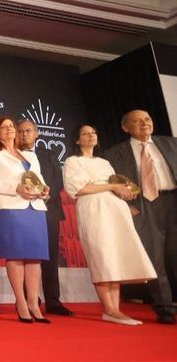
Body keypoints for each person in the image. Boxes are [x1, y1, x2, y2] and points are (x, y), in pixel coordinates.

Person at [62, 125, 156, 325]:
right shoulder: (73, 161)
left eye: (94, 132)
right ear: (77, 140)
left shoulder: (105, 162)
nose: (91, 136)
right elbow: (80, 188)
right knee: (101, 255)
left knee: (114, 256)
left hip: (115, 210)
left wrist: (124, 199)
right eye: (85, 134)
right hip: (94, 209)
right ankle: (109, 308)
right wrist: (113, 187)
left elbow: (116, 185)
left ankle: (114, 309)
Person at [103, 110, 177, 325]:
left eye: (147, 119)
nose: (144, 124)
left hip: (173, 200)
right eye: (137, 121)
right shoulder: (114, 154)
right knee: (154, 260)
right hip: (143, 206)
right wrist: (127, 206)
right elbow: (112, 185)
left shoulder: (172, 144)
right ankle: (164, 308)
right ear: (126, 128)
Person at [0, 116, 50, 323]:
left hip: (35, 208)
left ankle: (33, 303)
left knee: (34, 257)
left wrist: (44, 190)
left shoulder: (30, 155)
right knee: (16, 255)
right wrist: (16, 188)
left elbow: (39, 180)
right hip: (9, 208)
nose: (10, 129)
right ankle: (20, 302)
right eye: (5, 127)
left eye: (12, 126)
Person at [17, 118, 74, 316]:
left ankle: (53, 300)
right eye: (21, 131)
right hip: (24, 209)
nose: (24, 134)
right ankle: (30, 300)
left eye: (28, 130)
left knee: (49, 255)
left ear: (36, 134)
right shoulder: (11, 155)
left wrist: (46, 194)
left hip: (48, 208)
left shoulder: (48, 154)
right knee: (26, 256)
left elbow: (58, 180)